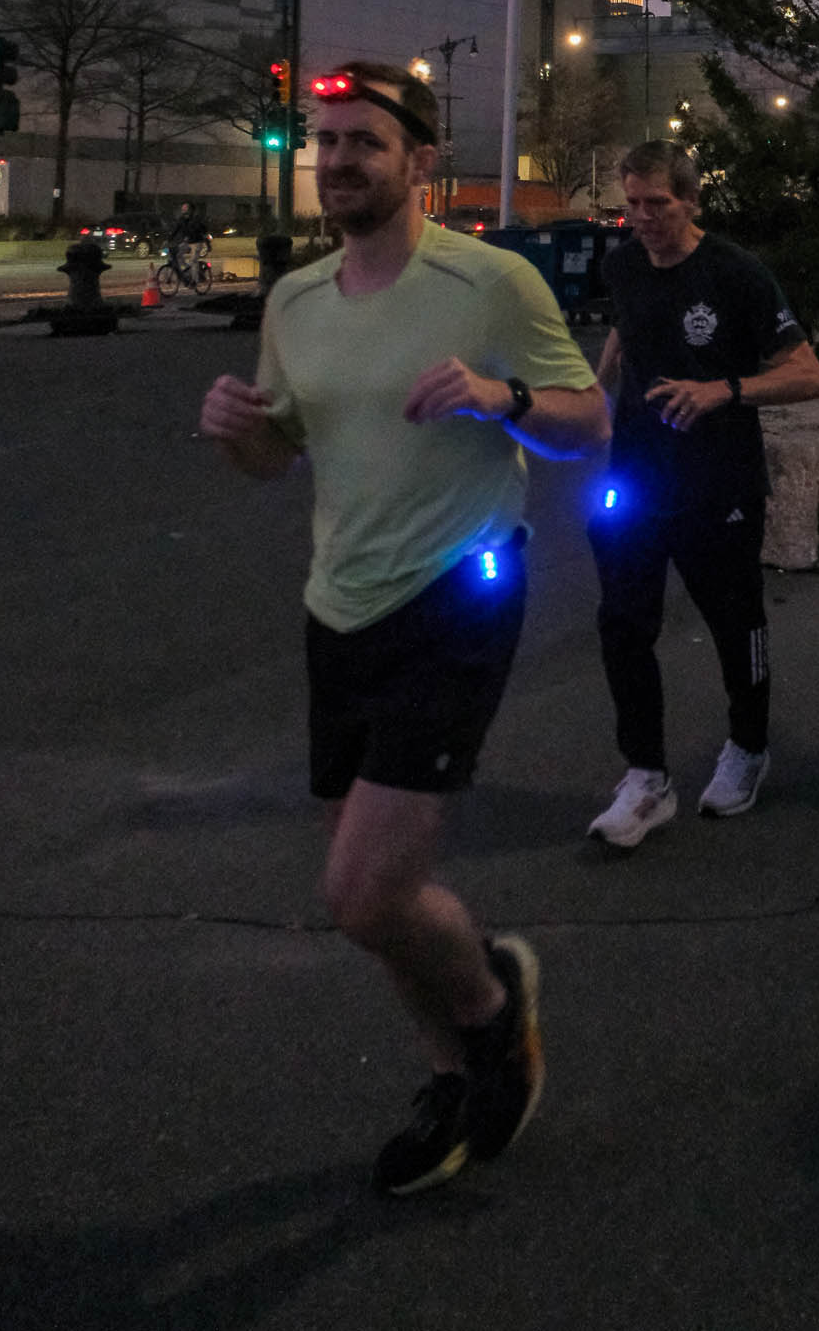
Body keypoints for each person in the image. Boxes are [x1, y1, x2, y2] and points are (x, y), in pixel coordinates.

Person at [198, 59, 608, 1197]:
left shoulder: (491, 282)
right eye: (325, 143)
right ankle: (450, 1074)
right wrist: (237, 429)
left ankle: (487, 1009)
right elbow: (279, 454)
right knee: (375, 896)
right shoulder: (294, 300)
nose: (337, 162)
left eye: (363, 144)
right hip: (338, 604)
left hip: (454, 595)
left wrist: (502, 398)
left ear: (419, 161)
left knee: (362, 893)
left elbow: (589, 424)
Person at [587, 141, 819, 848]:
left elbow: (807, 374)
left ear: (691, 200)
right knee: (623, 624)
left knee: (734, 621)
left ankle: (747, 746)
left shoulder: (736, 273)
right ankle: (645, 777)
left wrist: (722, 389)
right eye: (632, 204)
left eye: (657, 204)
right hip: (633, 477)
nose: (642, 218)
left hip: (719, 480)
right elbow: (627, 330)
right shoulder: (623, 265)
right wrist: (596, 391)